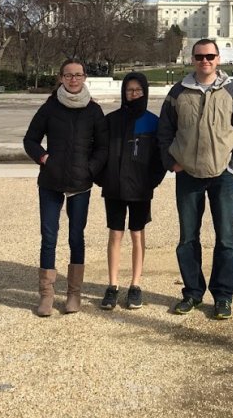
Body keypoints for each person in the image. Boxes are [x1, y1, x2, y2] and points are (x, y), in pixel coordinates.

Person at [158, 39, 233, 320]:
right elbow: (164, 132)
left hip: (222, 175)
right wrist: (172, 163)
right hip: (188, 173)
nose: (205, 61)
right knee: (188, 238)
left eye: (210, 56)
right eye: (200, 56)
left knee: (226, 238)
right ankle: (192, 292)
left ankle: (223, 296)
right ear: (193, 59)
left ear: (218, 58)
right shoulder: (178, 92)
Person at [23, 59, 109, 317]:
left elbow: (103, 147)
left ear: (84, 78)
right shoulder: (50, 107)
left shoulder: (93, 110)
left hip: (80, 182)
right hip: (51, 180)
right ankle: (47, 294)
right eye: (69, 75)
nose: (73, 79)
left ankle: (74, 293)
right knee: (49, 237)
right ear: (61, 77)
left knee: (76, 237)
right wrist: (45, 159)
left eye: (78, 75)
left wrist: (90, 169)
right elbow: (30, 140)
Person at [96, 72, 165, 311]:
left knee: (137, 234)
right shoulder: (111, 120)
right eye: (129, 90)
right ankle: (113, 285)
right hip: (114, 187)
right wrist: (101, 178)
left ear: (144, 92)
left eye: (137, 90)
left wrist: (152, 182)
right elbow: (99, 152)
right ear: (123, 92)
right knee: (115, 235)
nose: (133, 94)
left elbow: (160, 158)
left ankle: (135, 285)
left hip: (140, 188)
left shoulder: (152, 122)